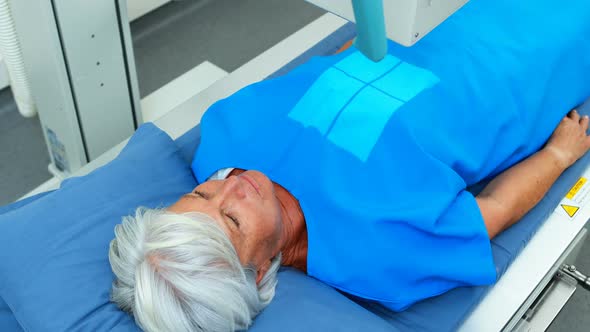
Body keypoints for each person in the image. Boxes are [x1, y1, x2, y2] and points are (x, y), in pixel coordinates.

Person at [107, 0, 590, 331]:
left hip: (414, 27)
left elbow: (318, 71)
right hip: (518, 62)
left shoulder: (221, 143)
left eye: (200, 195)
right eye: (232, 221)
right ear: (255, 274)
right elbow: (491, 213)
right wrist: (558, 155)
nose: (231, 186)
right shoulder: (375, 253)